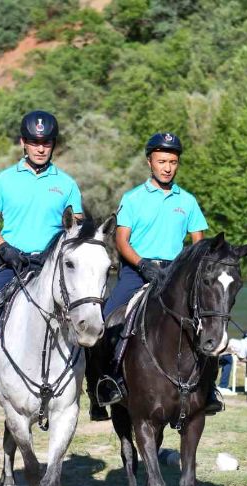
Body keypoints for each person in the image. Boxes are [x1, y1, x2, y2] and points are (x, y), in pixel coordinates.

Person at [0, 110, 83, 412]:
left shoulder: (66, 184)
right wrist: (5, 249)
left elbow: (76, 228)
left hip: (51, 270)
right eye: (34, 142)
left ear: (53, 145)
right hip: (12, 265)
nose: (41, 148)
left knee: (88, 319)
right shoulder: (3, 180)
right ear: (23, 143)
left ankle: (91, 386)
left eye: (47, 142)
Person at [93, 131, 222, 419]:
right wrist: (143, 265)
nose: (167, 167)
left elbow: (198, 244)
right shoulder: (133, 198)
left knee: (208, 322)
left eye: (173, 162)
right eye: (162, 161)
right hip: (137, 272)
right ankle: (102, 386)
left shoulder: (187, 201)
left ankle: (209, 389)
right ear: (149, 161)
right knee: (106, 322)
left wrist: (186, 272)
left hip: (175, 276)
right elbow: (121, 241)